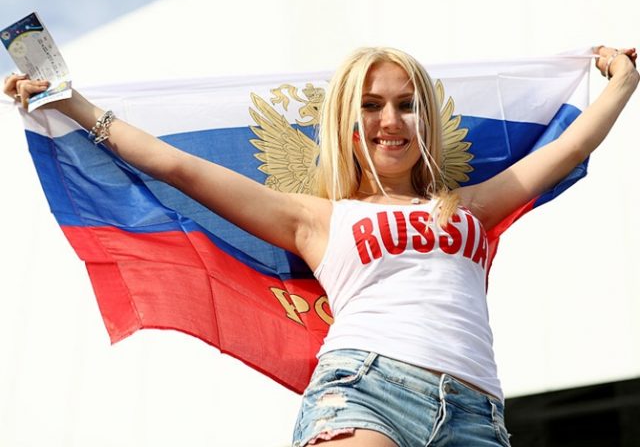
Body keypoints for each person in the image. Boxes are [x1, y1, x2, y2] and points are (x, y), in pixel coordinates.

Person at [4, 45, 638, 447]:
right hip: (367, 389)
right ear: (345, 123)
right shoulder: (315, 217)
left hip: (476, 412)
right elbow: (179, 168)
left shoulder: (471, 204)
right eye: (370, 106)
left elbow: (571, 148)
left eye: (407, 104)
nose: (391, 121)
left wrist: (621, 83)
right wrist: (74, 104)